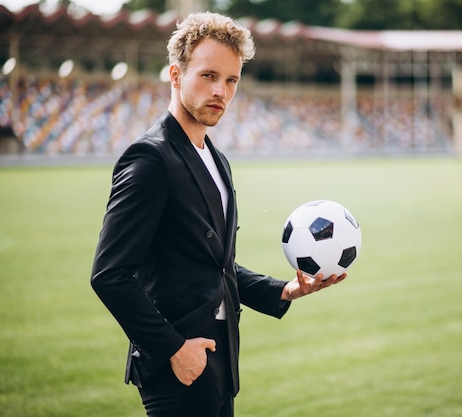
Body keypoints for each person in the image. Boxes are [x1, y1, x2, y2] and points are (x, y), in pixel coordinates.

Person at [90, 11, 346, 417]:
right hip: (179, 366)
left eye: (231, 80)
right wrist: (174, 349)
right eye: (208, 76)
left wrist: (284, 290)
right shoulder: (150, 159)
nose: (221, 92)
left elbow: (215, 266)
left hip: (221, 358)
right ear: (175, 76)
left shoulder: (217, 160)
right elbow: (109, 275)